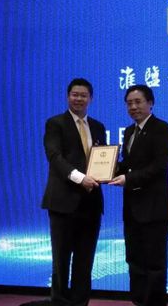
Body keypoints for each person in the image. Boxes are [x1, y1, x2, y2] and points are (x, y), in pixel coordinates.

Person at [24, 78, 106, 306]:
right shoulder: (55, 124)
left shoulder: (98, 127)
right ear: (68, 96)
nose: (79, 99)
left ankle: (80, 302)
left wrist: (110, 172)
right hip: (63, 202)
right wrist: (80, 178)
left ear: (91, 98)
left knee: (85, 260)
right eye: (75, 94)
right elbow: (54, 157)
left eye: (83, 95)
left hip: (91, 203)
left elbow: (101, 160)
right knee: (61, 260)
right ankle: (59, 302)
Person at [110, 84, 168, 306]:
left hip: (155, 210)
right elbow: (128, 164)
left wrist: (128, 179)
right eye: (129, 103)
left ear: (150, 103)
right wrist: (106, 169)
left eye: (138, 102)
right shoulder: (129, 131)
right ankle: (138, 302)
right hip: (132, 209)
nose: (133, 107)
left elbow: (159, 167)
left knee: (154, 265)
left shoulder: (162, 129)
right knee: (134, 261)